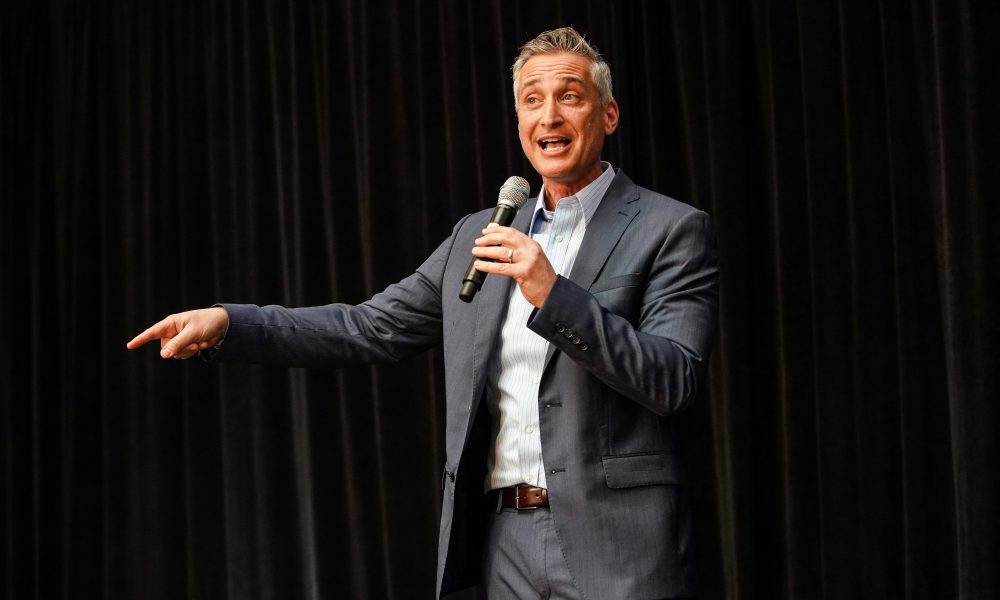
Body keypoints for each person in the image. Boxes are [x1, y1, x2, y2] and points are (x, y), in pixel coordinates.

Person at [128, 27, 717, 600]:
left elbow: (672, 379)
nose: (550, 117)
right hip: (503, 538)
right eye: (532, 101)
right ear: (519, 123)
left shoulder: (669, 229)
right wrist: (232, 323)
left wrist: (551, 290)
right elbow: (366, 327)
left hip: (620, 544)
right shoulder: (479, 235)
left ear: (607, 115)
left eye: (569, 96)